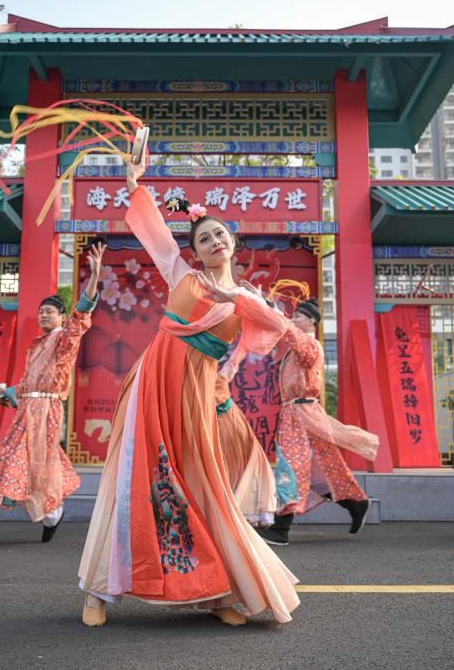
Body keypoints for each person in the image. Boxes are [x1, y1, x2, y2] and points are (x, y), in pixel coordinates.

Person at [77, 156, 299, 627]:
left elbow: (277, 325)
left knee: (202, 480)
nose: (214, 242)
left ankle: (217, 590)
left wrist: (232, 299)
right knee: (132, 477)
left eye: (220, 235)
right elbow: (156, 229)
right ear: (195, 252)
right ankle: (98, 589)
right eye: (204, 239)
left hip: (196, 393)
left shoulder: (248, 297)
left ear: (232, 241)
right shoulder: (183, 275)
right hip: (154, 380)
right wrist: (136, 184)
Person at [0, 244, 104, 545]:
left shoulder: (64, 339)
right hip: (26, 411)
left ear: (61, 317)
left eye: (50, 311)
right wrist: (9, 393)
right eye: (41, 311)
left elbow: (82, 314)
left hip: (45, 414)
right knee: (11, 462)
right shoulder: (39, 345)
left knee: (24, 464)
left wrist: (93, 276)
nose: (43, 315)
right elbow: (28, 386)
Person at [254, 297, 379, 546]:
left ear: (312, 321)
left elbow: (288, 333)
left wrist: (269, 308)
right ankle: (355, 504)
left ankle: (281, 528)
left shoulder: (309, 346)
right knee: (316, 469)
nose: (294, 319)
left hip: (301, 416)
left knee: (291, 467)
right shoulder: (300, 346)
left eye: (299, 316)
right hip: (297, 415)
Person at [214, 372, 277, 526]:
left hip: (224, 424)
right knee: (238, 467)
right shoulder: (212, 376)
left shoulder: (207, 377)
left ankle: (238, 511)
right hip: (225, 424)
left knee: (235, 467)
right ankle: (240, 511)